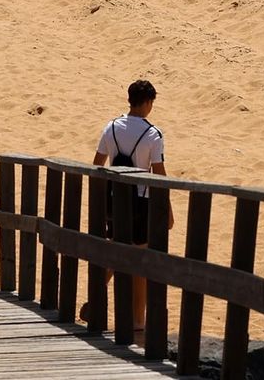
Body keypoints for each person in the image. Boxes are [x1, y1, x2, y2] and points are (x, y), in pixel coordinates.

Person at [85, 80, 169, 339]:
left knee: (116, 248)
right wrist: (167, 209)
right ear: (147, 102)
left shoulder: (110, 127)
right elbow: (159, 174)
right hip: (141, 201)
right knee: (139, 260)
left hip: (115, 200)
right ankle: (137, 321)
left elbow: (98, 164)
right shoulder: (153, 134)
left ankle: (95, 296)